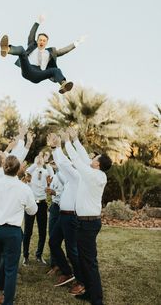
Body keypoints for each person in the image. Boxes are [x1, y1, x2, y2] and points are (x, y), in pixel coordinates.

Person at [0, 155, 38, 305]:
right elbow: (32, 211)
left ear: (4, 168)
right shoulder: (24, 188)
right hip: (13, 233)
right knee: (10, 270)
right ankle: (7, 302)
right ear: (18, 171)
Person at [64, 127, 112, 304]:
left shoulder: (92, 175)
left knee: (89, 262)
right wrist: (76, 139)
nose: (91, 159)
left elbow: (77, 160)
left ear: (97, 164)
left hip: (88, 224)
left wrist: (67, 141)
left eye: (94, 158)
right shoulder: (94, 172)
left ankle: (97, 299)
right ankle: (89, 292)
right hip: (84, 222)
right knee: (84, 260)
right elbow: (84, 158)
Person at [0, 15, 86, 94]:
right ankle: (7, 49)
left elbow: (64, 51)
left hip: (39, 74)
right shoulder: (32, 45)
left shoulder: (51, 52)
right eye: (40, 40)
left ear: (46, 42)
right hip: (28, 68)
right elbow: (31, 34)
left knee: (56, 70)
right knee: (22, 50)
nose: (42, 42)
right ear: (37, 41)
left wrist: (77, 42)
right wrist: (38, 22)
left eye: (44, 41)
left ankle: (63, 84)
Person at [47, 133, 85, 296]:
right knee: (53, 243)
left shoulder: (77, 176)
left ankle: (81, 281)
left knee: (72, 251)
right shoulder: (71, 179)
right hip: (63, 216)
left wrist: (56, 148)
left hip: (71, 218)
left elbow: (63, 164)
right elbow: (63, 165)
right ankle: (67, 272)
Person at [22, 152, 53, 265]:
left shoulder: (45, 172)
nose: (39, 160)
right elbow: (27, 171)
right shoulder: (31, 172)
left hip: (42, 204)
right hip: (31, 204)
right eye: (38, 158)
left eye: (40, 159)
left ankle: (39, 255)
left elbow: (52, 174)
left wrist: (46, 163)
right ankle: (25, 256)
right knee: (28, 231)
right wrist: (36, 163)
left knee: (42, 231)